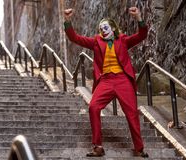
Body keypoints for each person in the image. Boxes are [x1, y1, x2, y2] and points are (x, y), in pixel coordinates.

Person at [64, 7, 149, 158]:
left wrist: (139, 18)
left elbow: (141, 35)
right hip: (106, 80)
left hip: (123, 80)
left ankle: (139, 148)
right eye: (101, 28)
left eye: (106, 27)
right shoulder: (97, 42)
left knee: (131, 113)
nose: (103, 30)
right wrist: (68, 21)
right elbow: (75, 38)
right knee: (94, 107)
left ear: (113, 28)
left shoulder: (122, 40)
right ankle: (98, 147)